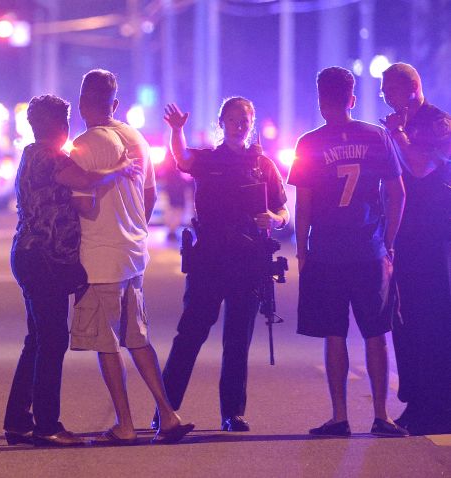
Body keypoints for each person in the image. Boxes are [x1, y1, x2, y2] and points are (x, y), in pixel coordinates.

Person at [4, 94, 139, 447]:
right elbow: (88, 180)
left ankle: (18, 420)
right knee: (51, 341)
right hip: (45, 261)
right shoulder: (51, 158)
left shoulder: (29, 154)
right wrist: (120, 169)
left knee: (36, 340)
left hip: (29, 256)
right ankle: (47, 426)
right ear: (61, 127)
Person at [68, 69, 194, 446]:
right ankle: (168, 415)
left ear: (81, 103)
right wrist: (133, 223)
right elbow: (150, 196)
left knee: (107, 343)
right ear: (116, 104)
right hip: (133, 253)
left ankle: (124, 424)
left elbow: (83, 206)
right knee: (138, 338)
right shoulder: (137, 139)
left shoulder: (84, 143)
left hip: (99, 256)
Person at [156, 96, 290, 433]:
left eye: (245, 118)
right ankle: (165, 409)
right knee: (190, 334)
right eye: (232, 118)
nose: (239, 123)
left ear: (252, 122)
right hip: (210, 260)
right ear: (222, 122)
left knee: (236, 341)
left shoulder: (264, 165)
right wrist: (176, 131)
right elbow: (182, 159)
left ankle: (233, 413)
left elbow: (283, 212)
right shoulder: (208, 159)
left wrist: (272, 219)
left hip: (248, 262)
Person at [289, 66, 408, 437]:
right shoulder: (376, 136)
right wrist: (388, 242)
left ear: (322, 102)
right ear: (352, 99)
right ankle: (381, 416)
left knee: (334, 333)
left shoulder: (308, 143)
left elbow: (303, 202)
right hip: (369, 249)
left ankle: (339, 416)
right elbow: (398, 193)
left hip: (326, 250)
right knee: (376, 332)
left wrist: (302, 248)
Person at [380, 62, 451, 435]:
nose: (387, 99)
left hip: (434, 236)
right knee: (403, 320)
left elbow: (422, 168)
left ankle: (439, 404)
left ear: (411, 87)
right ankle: (415, 399)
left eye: (390, 91)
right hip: (404, 235)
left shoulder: (437, 123)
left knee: (433, 321)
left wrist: (401, 138)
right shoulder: (396, 127)